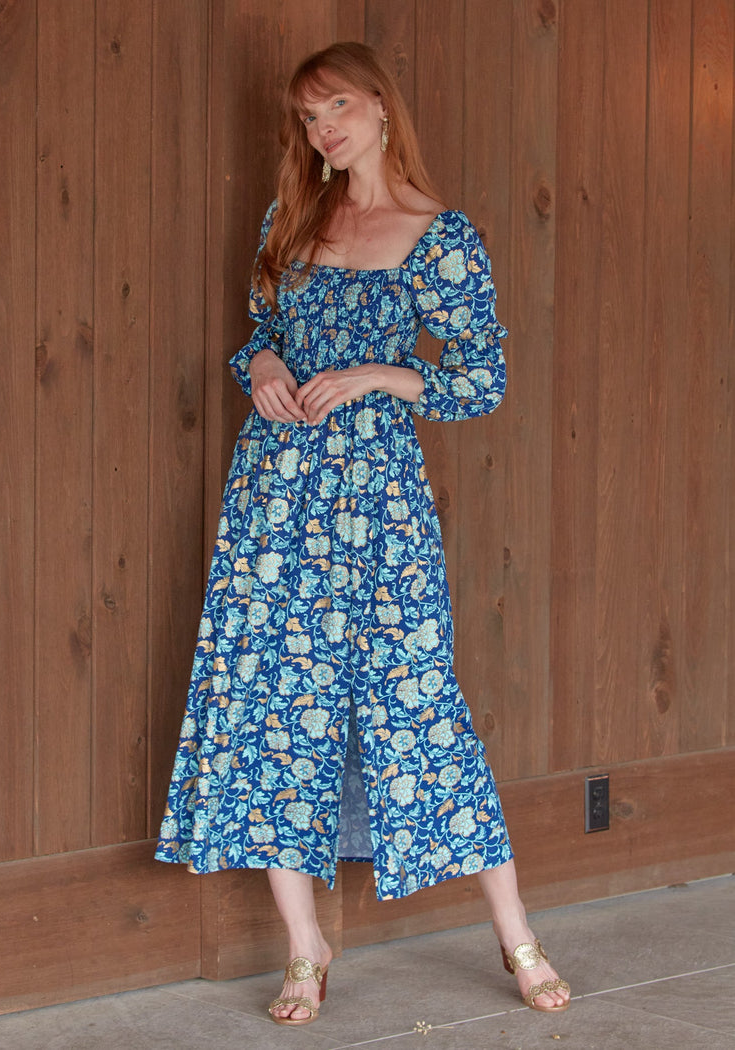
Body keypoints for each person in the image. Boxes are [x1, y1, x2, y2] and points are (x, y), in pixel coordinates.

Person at [155, 41, 570, 1026]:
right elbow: (259, 336)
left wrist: (379, 376)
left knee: (415, 698)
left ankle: (517, 936)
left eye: (335, 106)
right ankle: (305, 950)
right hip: (272, 498)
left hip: (375, 506)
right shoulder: (291, 219)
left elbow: (480, 380)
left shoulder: (440, 236)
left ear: (380, 108)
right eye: (307, 117)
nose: (322, 130)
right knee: (271, 704)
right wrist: (254, 368)